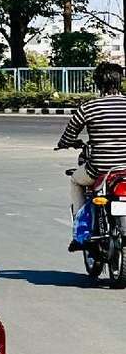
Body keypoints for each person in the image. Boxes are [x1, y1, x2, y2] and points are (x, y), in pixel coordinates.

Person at [57, 61, 126, 249]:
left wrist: (65, 144)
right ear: (120, 81)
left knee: (75, 180)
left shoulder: (88, 108)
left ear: (98, 83)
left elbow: (69, 135)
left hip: (100, 168)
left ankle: (81, 231)